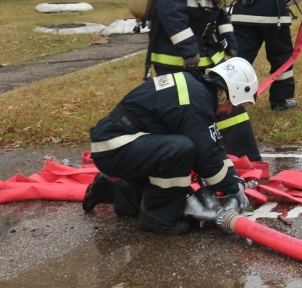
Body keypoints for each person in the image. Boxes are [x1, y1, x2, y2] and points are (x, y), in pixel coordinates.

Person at [82, 58, 258, 235]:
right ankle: (157, 219)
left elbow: (214, 147)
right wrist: (234, 190)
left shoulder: (198, 92)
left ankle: (111, 191)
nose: (229, 111)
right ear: (225, 94)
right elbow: (206, 158)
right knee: (181, 149)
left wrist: (234, 179)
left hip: (122, 142)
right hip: (115, 144)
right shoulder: (195, 100)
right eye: (234, 105)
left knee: (174, 194)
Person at [150, 0, 261, 162]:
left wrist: (231, 43)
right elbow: (170, 12)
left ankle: (245, 160)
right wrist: (189, 49)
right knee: (187, 113)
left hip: (208, 54)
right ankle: (182, 162)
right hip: (175, 58)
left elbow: (218, 9)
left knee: (228, 105)